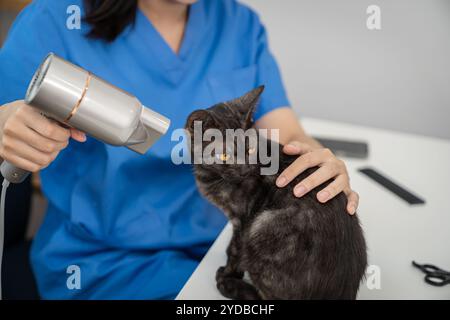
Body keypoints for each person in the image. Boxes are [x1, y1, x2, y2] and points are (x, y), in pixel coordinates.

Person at [0, 0, 359, 299]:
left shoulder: (239, 24)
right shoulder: (54, 20)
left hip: (225, 253)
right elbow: (8, 119)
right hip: (108, 265)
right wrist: (5, 123)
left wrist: (316, 160)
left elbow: (288, 133)